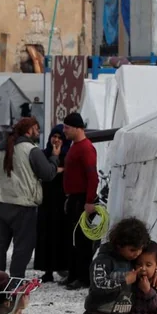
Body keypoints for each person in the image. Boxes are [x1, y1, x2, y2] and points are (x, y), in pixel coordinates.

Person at [0, 117, 57, 279]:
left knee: (0, 245)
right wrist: (54, 157)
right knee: (23, 246)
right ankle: (16, 281)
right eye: (36, 129)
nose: (38, 132)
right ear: (28, 130)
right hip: (23, 205)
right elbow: (48, 174)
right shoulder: (31, 150)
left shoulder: (0, 148)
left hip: (0, 204)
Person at [60, 112, 100, 290]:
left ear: (77, 128)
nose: (64, 130)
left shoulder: (86, 148)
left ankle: (83, 277)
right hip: (74, 197)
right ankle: (73, 274)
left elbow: (93, 176)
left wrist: (89, 200)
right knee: (73, 238)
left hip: (82, 197)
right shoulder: (74, 146)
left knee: (82, 240)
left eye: (67, 127)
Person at [35, 126, 70, 284]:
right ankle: (47, 270)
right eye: (53, 136)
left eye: (59, 137)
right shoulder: (44, 154)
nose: (56, 140)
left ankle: (64, 267)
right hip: (46, 201)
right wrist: (55, 166)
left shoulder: (68, 155)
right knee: (45, 234)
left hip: (62, 200)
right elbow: (45, 173)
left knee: (62, 234)